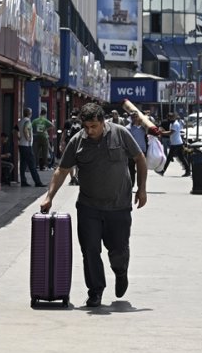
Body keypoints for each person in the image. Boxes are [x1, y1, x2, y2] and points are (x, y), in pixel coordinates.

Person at [40, 103, 147, 308]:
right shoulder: (77, 141)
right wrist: (49, 196)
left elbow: (139, 159)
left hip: (119, 206)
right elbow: (62, 171)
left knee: (118, 250)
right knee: (90, 250)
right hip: (89, 206)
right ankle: (95, 291)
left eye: (94, 126)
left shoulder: (120, 134)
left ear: (103, 122)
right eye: (86, 127)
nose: (90, 131)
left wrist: (141, 189)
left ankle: (120, 271)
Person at [17, 107, 45, 187]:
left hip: (21, 145)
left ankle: (23, 181)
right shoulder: (28, 121)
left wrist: (19, 138)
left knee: (23, 164)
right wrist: (28, 138)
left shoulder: (20, 121)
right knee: (32, 164)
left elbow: (15, 131)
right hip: (27, 145)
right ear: (30, 114)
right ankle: (37, 182)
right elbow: (26, 129)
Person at [158, 112, 191, 176]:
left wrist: (162, 133)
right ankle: (188, 171)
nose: (169, 119)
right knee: (181, 158)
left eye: (170, 117)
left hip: (177, 143)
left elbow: (170, 133)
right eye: (168, 117)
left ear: (173, 117)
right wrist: (163, 131)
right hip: (175, 143)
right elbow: (169, 132)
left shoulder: (176, 124)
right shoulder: (172, 124)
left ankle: (163, 171)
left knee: (171, 157)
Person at [127, 113, 148, 189]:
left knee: (141, 170)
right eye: (133, 117)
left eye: (136, 117)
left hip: (142, 151)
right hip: (131, 152)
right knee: (131, 169)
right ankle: (131, 185)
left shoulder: (144, 128)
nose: (135, 118)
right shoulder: (128, 128)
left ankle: (141, 186)